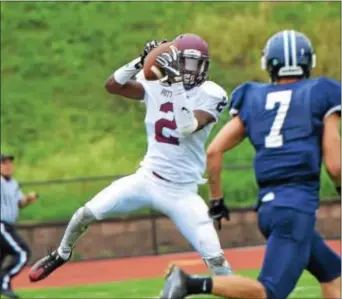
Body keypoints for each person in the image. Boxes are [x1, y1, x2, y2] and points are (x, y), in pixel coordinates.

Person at [29, 34, 233, 282]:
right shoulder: (157, 84)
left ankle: (237, 291)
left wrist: (176, 82)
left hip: (183, 191)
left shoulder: (211, 93)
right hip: (147, 179)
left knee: (216, 260)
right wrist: (141, 60)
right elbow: (112, 85)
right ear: (174, 61)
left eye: (197, 64)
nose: (193, 70)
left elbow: (186, 126)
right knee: (85, 214)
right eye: (186, 63)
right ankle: (61, 254)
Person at [160, 30, 341, 299]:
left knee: (332, 272)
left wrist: (217, 201)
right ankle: (190, 283)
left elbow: (214, 151)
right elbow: (335, 166)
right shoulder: (322, 91)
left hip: (269, 209)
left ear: (269, 64)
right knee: (267, 292)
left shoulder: (254, 97)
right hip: (295, 208)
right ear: (308, 62)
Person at [0, 154, 38, 298]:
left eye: (10, 163)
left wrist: (28, 199)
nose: (8, 166)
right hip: (1, 226)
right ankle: (3, 280)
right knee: (23, 253)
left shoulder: (13, 183)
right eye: (4, 163)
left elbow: (19, 203)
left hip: (9, 226)